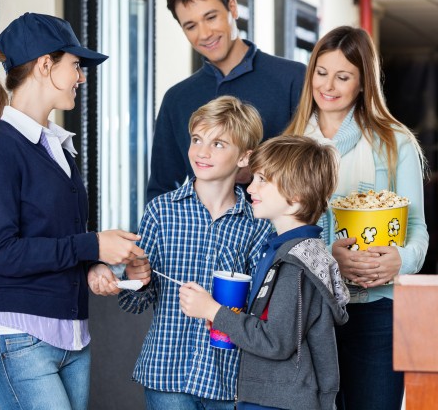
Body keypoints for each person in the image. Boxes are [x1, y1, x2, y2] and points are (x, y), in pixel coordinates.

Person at [0, 12, 146, 410]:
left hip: (72, 338)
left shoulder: (57, 146)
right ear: (46, 65)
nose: (81, 77)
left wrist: (93, 265)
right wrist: (92, 244)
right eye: (76, 65)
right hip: (20, 337)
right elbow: (3, 254)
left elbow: (55, 239)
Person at [283, 25, 429, 410]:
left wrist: (402, 260)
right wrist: (330, 256)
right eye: (321, 72)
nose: (328, 85)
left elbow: (417, 232)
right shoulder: (292, 145)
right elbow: (276, 229)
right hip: (307, 310)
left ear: (363, 83)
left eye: (343, 76)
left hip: (377, 310)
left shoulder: (394, 141)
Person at [113, 96, 272, 409]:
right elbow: (134, 302)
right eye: (197, 140)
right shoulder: (161, 212)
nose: (202, 151)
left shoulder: (259, 223)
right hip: (167, 375)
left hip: (230, 378)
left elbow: (261, 308)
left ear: (244, 157)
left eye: (218, 144)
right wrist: (134, 278)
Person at [179, 135, 350, 410]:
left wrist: (213, 311)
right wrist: (228, 321)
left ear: (295, 198)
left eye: (262, 180)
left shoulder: (294, 263)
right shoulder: (280, 250)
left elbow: (275, 341)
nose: (250, 189)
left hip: (279, 401)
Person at [147, 0, 306, 202]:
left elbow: (314, 164)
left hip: (280, 231)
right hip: (202, 233)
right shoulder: (177, 98)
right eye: (191, 26)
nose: (205, 33)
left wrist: (257, 167)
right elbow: (161, 187)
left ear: (232, 8)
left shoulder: (292, 78)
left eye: (211, 17)